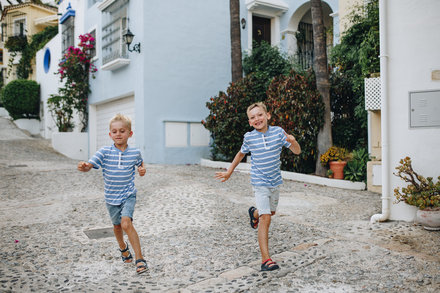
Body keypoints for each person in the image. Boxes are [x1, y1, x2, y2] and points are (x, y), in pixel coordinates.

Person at [215, 102, 301, 271]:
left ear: (267, 116)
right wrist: (229, 172)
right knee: (266, 218)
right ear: (249, 122)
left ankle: (253, 212)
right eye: (252, 117)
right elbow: (240, 154)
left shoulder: (278, 132)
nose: (257, 119)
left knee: (271, 212)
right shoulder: (249, 137)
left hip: (275, 182)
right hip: (259, 182)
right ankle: (265, 260)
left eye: (259, 115)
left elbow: (297, 151)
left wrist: (293, 141)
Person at [77, 113, 148, 274]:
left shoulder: (135, 152)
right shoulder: (104, 152)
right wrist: (84, 166)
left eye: (122, 131)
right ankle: (123, 248)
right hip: (111, 197)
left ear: (130, 133)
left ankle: (140, 258)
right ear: (110, 134)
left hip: (128, 194)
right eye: (114, 132)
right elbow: (90, 164)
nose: (118, 134)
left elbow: (140, 164)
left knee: (126, 224)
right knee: (116, 227)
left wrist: (142, 170)